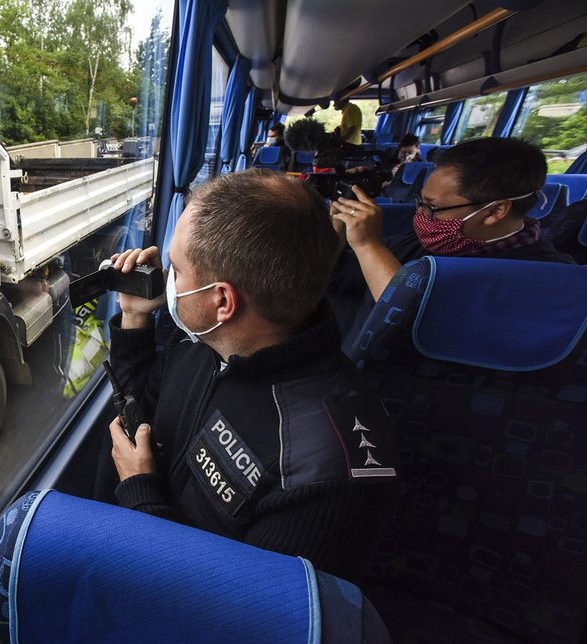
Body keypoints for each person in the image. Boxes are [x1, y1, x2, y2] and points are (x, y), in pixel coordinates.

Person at [106, 170, 399, 584]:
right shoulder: (201, 343)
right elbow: (143, 408)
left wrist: (140, 495)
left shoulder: (328, 472)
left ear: (221, 300)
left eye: (176, 269)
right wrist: (135, 318)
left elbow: (237, 611)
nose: (166, 280)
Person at [331, 137, 575, 308]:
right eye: (421, 203)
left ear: (496, 210)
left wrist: (369, 247)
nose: (422, 216)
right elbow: (340, 279)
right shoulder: (422, 242)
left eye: (434, 207)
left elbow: (409, 321)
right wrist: (340, 224)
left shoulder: (549, 279)